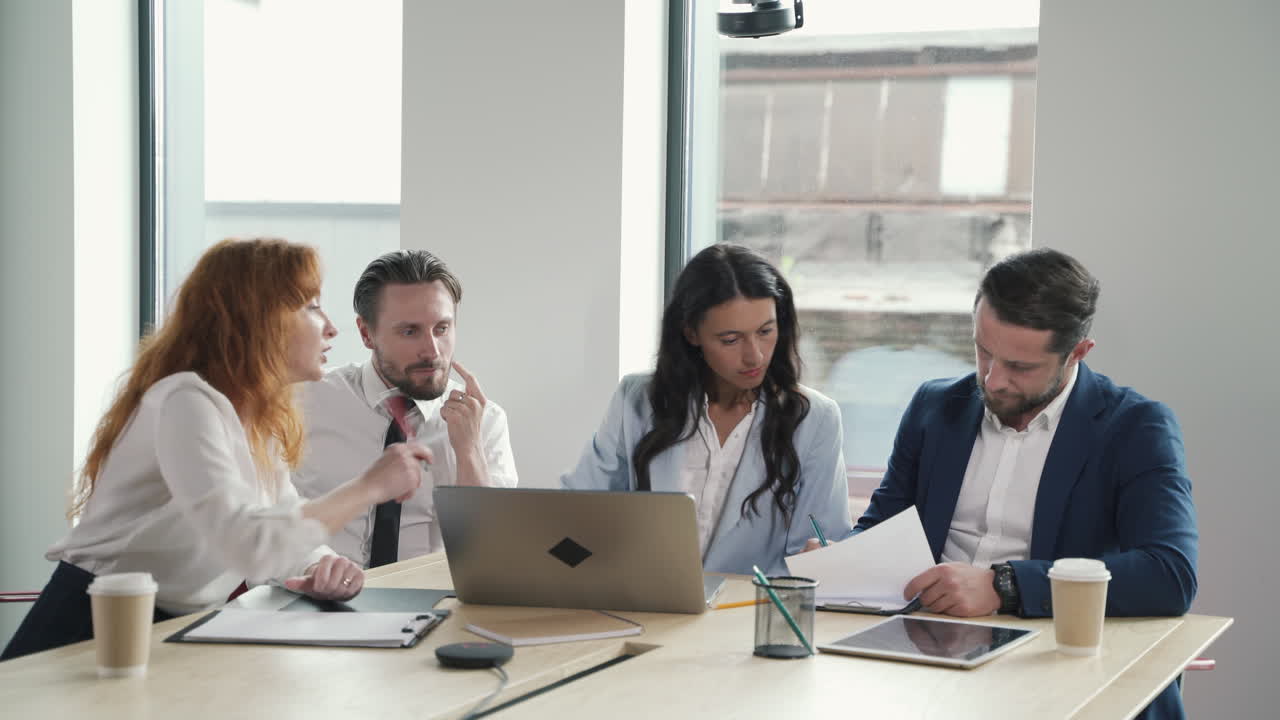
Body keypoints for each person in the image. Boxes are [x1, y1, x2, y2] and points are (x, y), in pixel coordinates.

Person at [1, 238, 428, 662]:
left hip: (174, 626)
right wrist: (369, 488)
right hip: (93, 625)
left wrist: (319, 564)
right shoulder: (186, 401)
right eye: (312, 307)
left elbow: (275, 513)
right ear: (260, 319)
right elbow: (244, 543)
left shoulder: (254, 416)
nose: (331, 327)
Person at [848, 247, 1197, 720]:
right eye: (983, 351)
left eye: (1020, 367)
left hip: (1054, 662)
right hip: (928, 661)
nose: (993, 380)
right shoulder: (936, 408)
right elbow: (884, 528)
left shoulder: (1136, 427)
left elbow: (1169, 573)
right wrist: (837, 557)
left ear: (1078, 352)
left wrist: (1005, 586)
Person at [562, 243, 852, 576]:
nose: (754, 356)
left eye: (766, 331)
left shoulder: (814, 418)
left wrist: (825, 556)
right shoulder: (637, 398)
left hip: (750, 614)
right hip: (648, 608)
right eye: (731, 339)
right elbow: (576, 510)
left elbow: (818, 546)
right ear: (691, 333)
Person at [292, 250, 517, 567]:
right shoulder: (304, 404)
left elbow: (493, 558)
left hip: (433, 606)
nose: (432, 350)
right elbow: (266, 528)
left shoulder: (486, 421)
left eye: (442, 328)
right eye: (410, 332)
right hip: (322, 601)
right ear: (366, 334)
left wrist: (469, 450)